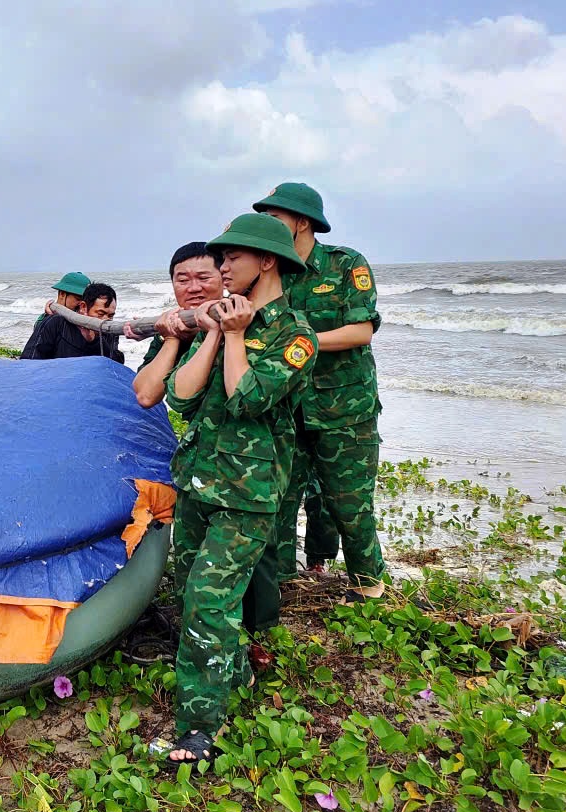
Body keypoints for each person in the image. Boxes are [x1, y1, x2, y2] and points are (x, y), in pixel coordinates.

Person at [156, 214, 316, 766]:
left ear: (266, 262)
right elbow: (180, 396)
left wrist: (235, 336)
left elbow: (246, 398)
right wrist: (214, 332)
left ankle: (199, 728)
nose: (221, 268)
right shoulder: (221, 319)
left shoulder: (296, 336)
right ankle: (237, 670)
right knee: (191, 594)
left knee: (208, 602)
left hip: (248, 494)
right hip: (198, 480)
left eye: (232, 258)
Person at [252, 182, 385, 602]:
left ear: (303, 222)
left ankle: (368, 588)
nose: (267, 224)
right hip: (285, 409)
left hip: (343, 410)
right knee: (278, 503)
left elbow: (361, 331)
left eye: (275, 217)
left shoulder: (345, 265)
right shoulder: (269, 269)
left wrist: (300, 342)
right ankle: (279, 588)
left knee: (350, 507)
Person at [130, 241, 223, 410]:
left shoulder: (237, 321)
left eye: (203, 278)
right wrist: (171, 339)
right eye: (183, 280)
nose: (194, 288)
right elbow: (145, 396)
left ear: (225, 278)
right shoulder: (171, 328)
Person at [21, 282, 125, 363]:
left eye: (110, 315)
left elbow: (116, 366)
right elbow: (28, 361)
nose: (105, 319)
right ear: (83, 307)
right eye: (100, 313)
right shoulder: (56, 324)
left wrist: (94, 342)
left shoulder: (110, 330)